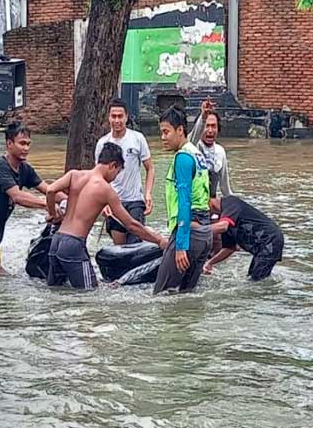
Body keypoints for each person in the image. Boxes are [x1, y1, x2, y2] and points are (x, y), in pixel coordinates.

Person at [45, 143, 167, 290]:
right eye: (117, 173)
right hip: (73, 245)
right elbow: (131, 225)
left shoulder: (74, 175)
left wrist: (53, 214)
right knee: (90, 294)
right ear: (113, 165)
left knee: (55, 291)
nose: (114, 178)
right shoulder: (105, 189)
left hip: (56, 240)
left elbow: (50, 190)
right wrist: (159, 240)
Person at [0, 122, 64, 276]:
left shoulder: (25, 169)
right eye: (22, 143)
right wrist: (48, 205)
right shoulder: (0, 166)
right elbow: (17, 196)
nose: (26, 148)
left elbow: (49, 190)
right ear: (9, 144)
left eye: (28, 144)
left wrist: (71, 201)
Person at [153, 106, 213, 295]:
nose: (162, 137)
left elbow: (185, 202)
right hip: (205, 235)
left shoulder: (183, 158)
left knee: (161, 295)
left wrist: (181, 245)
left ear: (180, 130)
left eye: (166, 132)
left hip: (190, 234)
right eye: (161, 132)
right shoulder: (196, 154)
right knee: (186, 297)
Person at [95, 98, 155, 244]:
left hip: (135, 200)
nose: (117, 120)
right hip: (113, 201)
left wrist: (147, 194)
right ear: (108, 118)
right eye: (113, 116)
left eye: (120, 116)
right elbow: (98, 177)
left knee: (135, 244)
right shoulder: (102, 143)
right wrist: (104, 203)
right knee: (119, 247)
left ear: (126, 117)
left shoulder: (137, 138)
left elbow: (150, 168)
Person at [203, 191, 284, 281]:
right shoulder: (226, 220)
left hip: (271, 240)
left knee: (256, 282)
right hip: (261, 248)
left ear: (208, 202)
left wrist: (194, 232)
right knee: (251, 278)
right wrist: (210, 263)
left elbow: (223, 226)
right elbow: (229, 248)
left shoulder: (230, 202)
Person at [188, 98, 234, 197]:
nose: (210, 130)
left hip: (210, 203)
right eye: (207, 126)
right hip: (194, 203)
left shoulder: (220, 151)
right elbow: (192, 139)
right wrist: (203, 117)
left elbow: (225, 188)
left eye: (213, 126)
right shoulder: (193, 146)